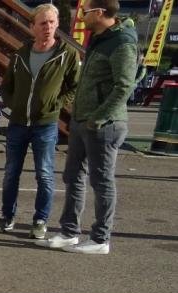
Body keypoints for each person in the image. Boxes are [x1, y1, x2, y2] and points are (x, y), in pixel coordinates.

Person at [39, 0, 137, 255]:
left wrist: (99, 117)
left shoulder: (122, 42)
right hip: (83, 120)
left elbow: (124, 86)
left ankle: (100, 239)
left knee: (101, 181)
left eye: (85, 11)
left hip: (104, 124)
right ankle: (69, 232)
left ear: (100, 13)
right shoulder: (100, 38)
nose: (81, 15)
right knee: (73, 176)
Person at [0, 3, 80, 239]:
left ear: (57, 24)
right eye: (43, 23)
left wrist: (56, 103)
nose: (48, 27)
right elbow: (7, 86)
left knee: (44, 174)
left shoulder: (67, 54)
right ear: (32, 26)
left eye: (52, 22)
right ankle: (7, 217)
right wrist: (14, 103)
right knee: (11, 173)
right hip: (18, 123)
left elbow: (75, 85)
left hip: (46, 124)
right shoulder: (20, 54)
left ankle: (40, 220)